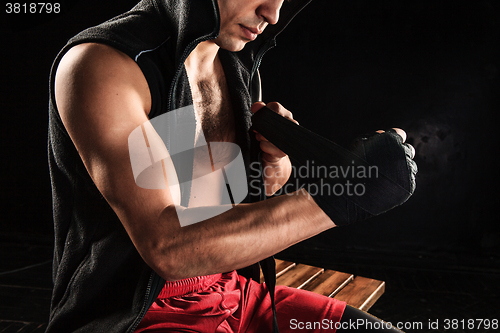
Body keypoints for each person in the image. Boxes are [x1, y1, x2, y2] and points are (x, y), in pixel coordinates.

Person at [47, 0, 416, 332]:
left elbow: (222, 199)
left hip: (232, 294)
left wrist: (273, 161)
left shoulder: (233, 67)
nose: (272, 14)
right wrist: (345, 196)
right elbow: (168, 248)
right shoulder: (106, 66)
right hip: (137, 313)